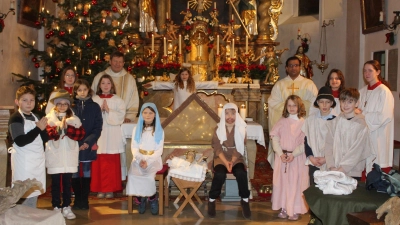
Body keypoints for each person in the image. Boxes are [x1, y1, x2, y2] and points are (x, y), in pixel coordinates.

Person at [91, 51, 139, 180]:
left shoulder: (129, 78)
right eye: (115, 61)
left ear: (124, 63)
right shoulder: (100, 77)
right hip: (102, 125)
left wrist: (129, 115)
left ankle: (121, 178)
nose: (117, 64)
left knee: (118, 152)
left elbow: (134, 98)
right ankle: (103, 181)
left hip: (124, 121)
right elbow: (93, 97)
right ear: (110, 61)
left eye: (120, 62)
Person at [267, 56, 318, 167]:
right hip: (285, 128)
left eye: (296, 65)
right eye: (290, 66)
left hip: (301, 126)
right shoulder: (280, 85)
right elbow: (272, 103)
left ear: (300, 67)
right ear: (286, 68)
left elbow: (315, 103)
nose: (293, 68)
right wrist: (288, 109)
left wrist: (299, 107)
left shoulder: (309, 84)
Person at [45, 90, 85, 219]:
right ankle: (56, 206)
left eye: (65, 104)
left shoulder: (74, 119)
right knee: (56, 183)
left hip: (69, 156)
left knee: (68, 183)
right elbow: (49, 134)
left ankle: (67, 206)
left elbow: (80, 134)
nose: (62, 106)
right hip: (55, 156)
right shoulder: (49, 119)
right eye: (59, 104)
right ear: (55, 105)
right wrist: (59, 128)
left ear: (68, 106)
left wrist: (68, 129)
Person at [207, 103, 251, 219]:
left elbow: (241, 147)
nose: (230, 117)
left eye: (233, 113)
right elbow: (217, 147)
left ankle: (245, 200)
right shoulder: (218, 129)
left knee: (241, 173)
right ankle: (212, 200)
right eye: (227, 114)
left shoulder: (241, 129)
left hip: (237, 158)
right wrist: (226, 163)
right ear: (223, 115)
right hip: (221, 158)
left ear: (237, 115)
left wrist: (232, 160)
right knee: (220, 174)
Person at [8, 86, 49, 208]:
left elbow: (44, 139)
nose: (29, 103)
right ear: (17, 102)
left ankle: (31, 216)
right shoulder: (16, 118)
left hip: (37, 161)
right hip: (24, 161)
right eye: (24, 100)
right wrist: (38, 129)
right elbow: (20, 141)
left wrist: (45, 130)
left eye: (31, 100)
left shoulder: (36, 116)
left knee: (35, 191)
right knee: (23, 193)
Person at [270, 95, 309, 221]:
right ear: (286, 107)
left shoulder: (303, 123)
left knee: (295, 183)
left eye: (294, 105)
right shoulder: (282, 121)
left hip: (296, 158)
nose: (292, 108)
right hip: (283, 157)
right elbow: (275, 138)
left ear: (299, 107)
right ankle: (284, 207)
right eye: (289, 105)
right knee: (282, 182)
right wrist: (280, 153)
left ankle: (295, 209)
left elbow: (304, 143)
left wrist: (294, 154)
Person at [325, 88, 374, 180]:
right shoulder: (335, 122)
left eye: (350, 102)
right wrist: (331, 166)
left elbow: (357, 150)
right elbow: (328, 144)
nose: (346, 105)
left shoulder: (361, 124)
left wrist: (342, 168)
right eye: (343, 101)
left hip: (353, 171)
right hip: (334, 169)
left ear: (356, 103)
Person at [91, 74, 126, 199]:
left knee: (111, 162)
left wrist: (109, 110)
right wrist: (99, 111)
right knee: (98, 162)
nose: (105, 86)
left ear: (112, 85)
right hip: (99, 134)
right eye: (103, 83)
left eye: (108, 83)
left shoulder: (118, 100)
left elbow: (121, 116)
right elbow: (90, 118)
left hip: (112, 134)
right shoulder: (94, 99)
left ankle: (110, 189)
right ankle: (100, 188)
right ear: (99, 85)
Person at [126, 103, 164, 215]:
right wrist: (140, 159)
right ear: (141, 114)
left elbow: (159, 150)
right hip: (139, 159)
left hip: (153, 160)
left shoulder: (159, 131)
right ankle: (140, 198)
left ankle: (152, 198)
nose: (148, 115)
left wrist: (147, 161)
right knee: (134, 175)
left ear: (155, 115)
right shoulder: (136, 129)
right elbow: (134, 147)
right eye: (145, 112)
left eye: (150, 113)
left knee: (148, 176)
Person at [357, 60, 394, 173]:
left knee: (376, 170)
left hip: (378, 137)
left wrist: (362, 115)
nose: (367, 74)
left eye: (370, 71)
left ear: (378, 72)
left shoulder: (384, 92)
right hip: (364, 137)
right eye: (364, 71)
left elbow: (384, 116)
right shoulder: (361, 92)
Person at [71, 79, 103, 210]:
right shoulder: (71, 106)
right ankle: (77, 200)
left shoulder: (94, 106)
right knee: (75, 172)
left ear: (88, 90)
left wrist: (88, 142)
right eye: (79, 90)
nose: (82, 92)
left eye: (85, 90)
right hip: (73, 145)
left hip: (88, 145)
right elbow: (68, 126)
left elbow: (98, 127)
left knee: (86, 171)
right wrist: (76, 142)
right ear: (75, 91)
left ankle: (84, 200)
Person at [303, 86, 337, 185]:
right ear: (317, 103)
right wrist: (311, 157)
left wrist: (326, 158)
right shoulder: (310, 120)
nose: (324, 105)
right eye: (321, 102)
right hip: (314, 161)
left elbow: (338, 144)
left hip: (330, 162)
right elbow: (307, 140)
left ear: (331, 103)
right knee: (314, 189)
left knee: (329, 189)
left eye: (327, 102)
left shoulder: (336, 121)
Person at [144, 68, 220, 110]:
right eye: (182, 74)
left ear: (189, 75)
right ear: (179, 75)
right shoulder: (175, 84)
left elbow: (206, 84)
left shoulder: (193, 84)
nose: (184, 76)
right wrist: (152, 84)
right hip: (178, 106)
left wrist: (217, 83)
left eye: (186, 74)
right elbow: (163, 84)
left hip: (190, 107)